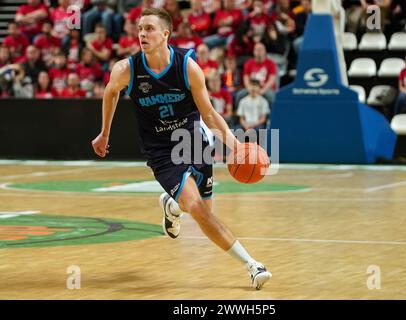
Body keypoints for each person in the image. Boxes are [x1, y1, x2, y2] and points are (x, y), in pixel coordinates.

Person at [91, 8, 272, 290]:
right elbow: (110, 92)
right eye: (139, 28)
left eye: (149, 28)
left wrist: (236, 147)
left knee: (203, 210)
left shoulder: (187, 66)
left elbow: (210, 114)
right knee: (199, 209)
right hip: (161, 150)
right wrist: (104, 133)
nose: (142, 33)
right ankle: (252, 265)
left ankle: (171, 205)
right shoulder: (127, 70)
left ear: (166, 34)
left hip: (192, 140)